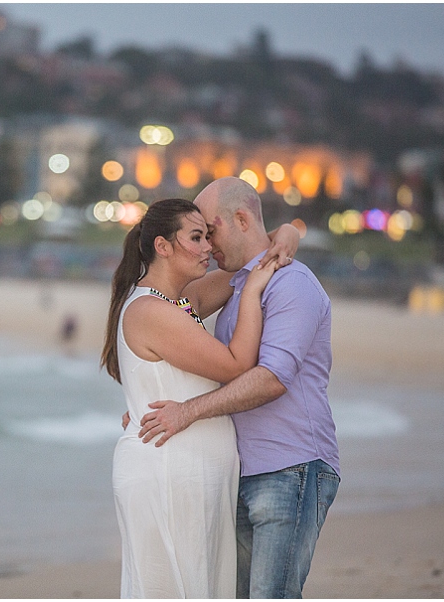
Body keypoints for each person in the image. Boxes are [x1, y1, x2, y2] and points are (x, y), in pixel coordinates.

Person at [137, 177, 340, 599]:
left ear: (242, 219)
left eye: (210, 231)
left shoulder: (291, 284)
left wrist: (186, 411)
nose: (207, 245)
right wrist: (144, 394)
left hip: (292, 466)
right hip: (245, 474)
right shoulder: (240, 286)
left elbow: (271, 380)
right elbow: (169, 324)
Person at [101, 197, 299, 598]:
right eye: (196, 237)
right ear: (163, 246)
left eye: (208, 236)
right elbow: (236, 364)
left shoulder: (179, 303)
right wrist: (253, 292)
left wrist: (291, 233)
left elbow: (258, 253)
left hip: (189, 473)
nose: (208, 246)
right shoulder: (150, 311)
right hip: (169, 472)